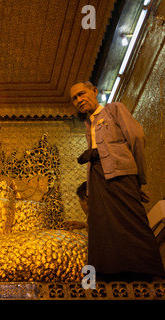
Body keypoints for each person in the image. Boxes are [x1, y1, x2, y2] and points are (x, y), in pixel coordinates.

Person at [70, 81, 165, 282]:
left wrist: (137, 178)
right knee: (101, 224)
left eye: (82, 94)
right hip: (98, 177)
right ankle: (107, 276)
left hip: (122, 174)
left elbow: (137, 138)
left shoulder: (114, 110)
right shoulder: (89, 124)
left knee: (133, 221)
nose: (79, 100)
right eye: (75, 98)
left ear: (94, 91)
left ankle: (151, 273)